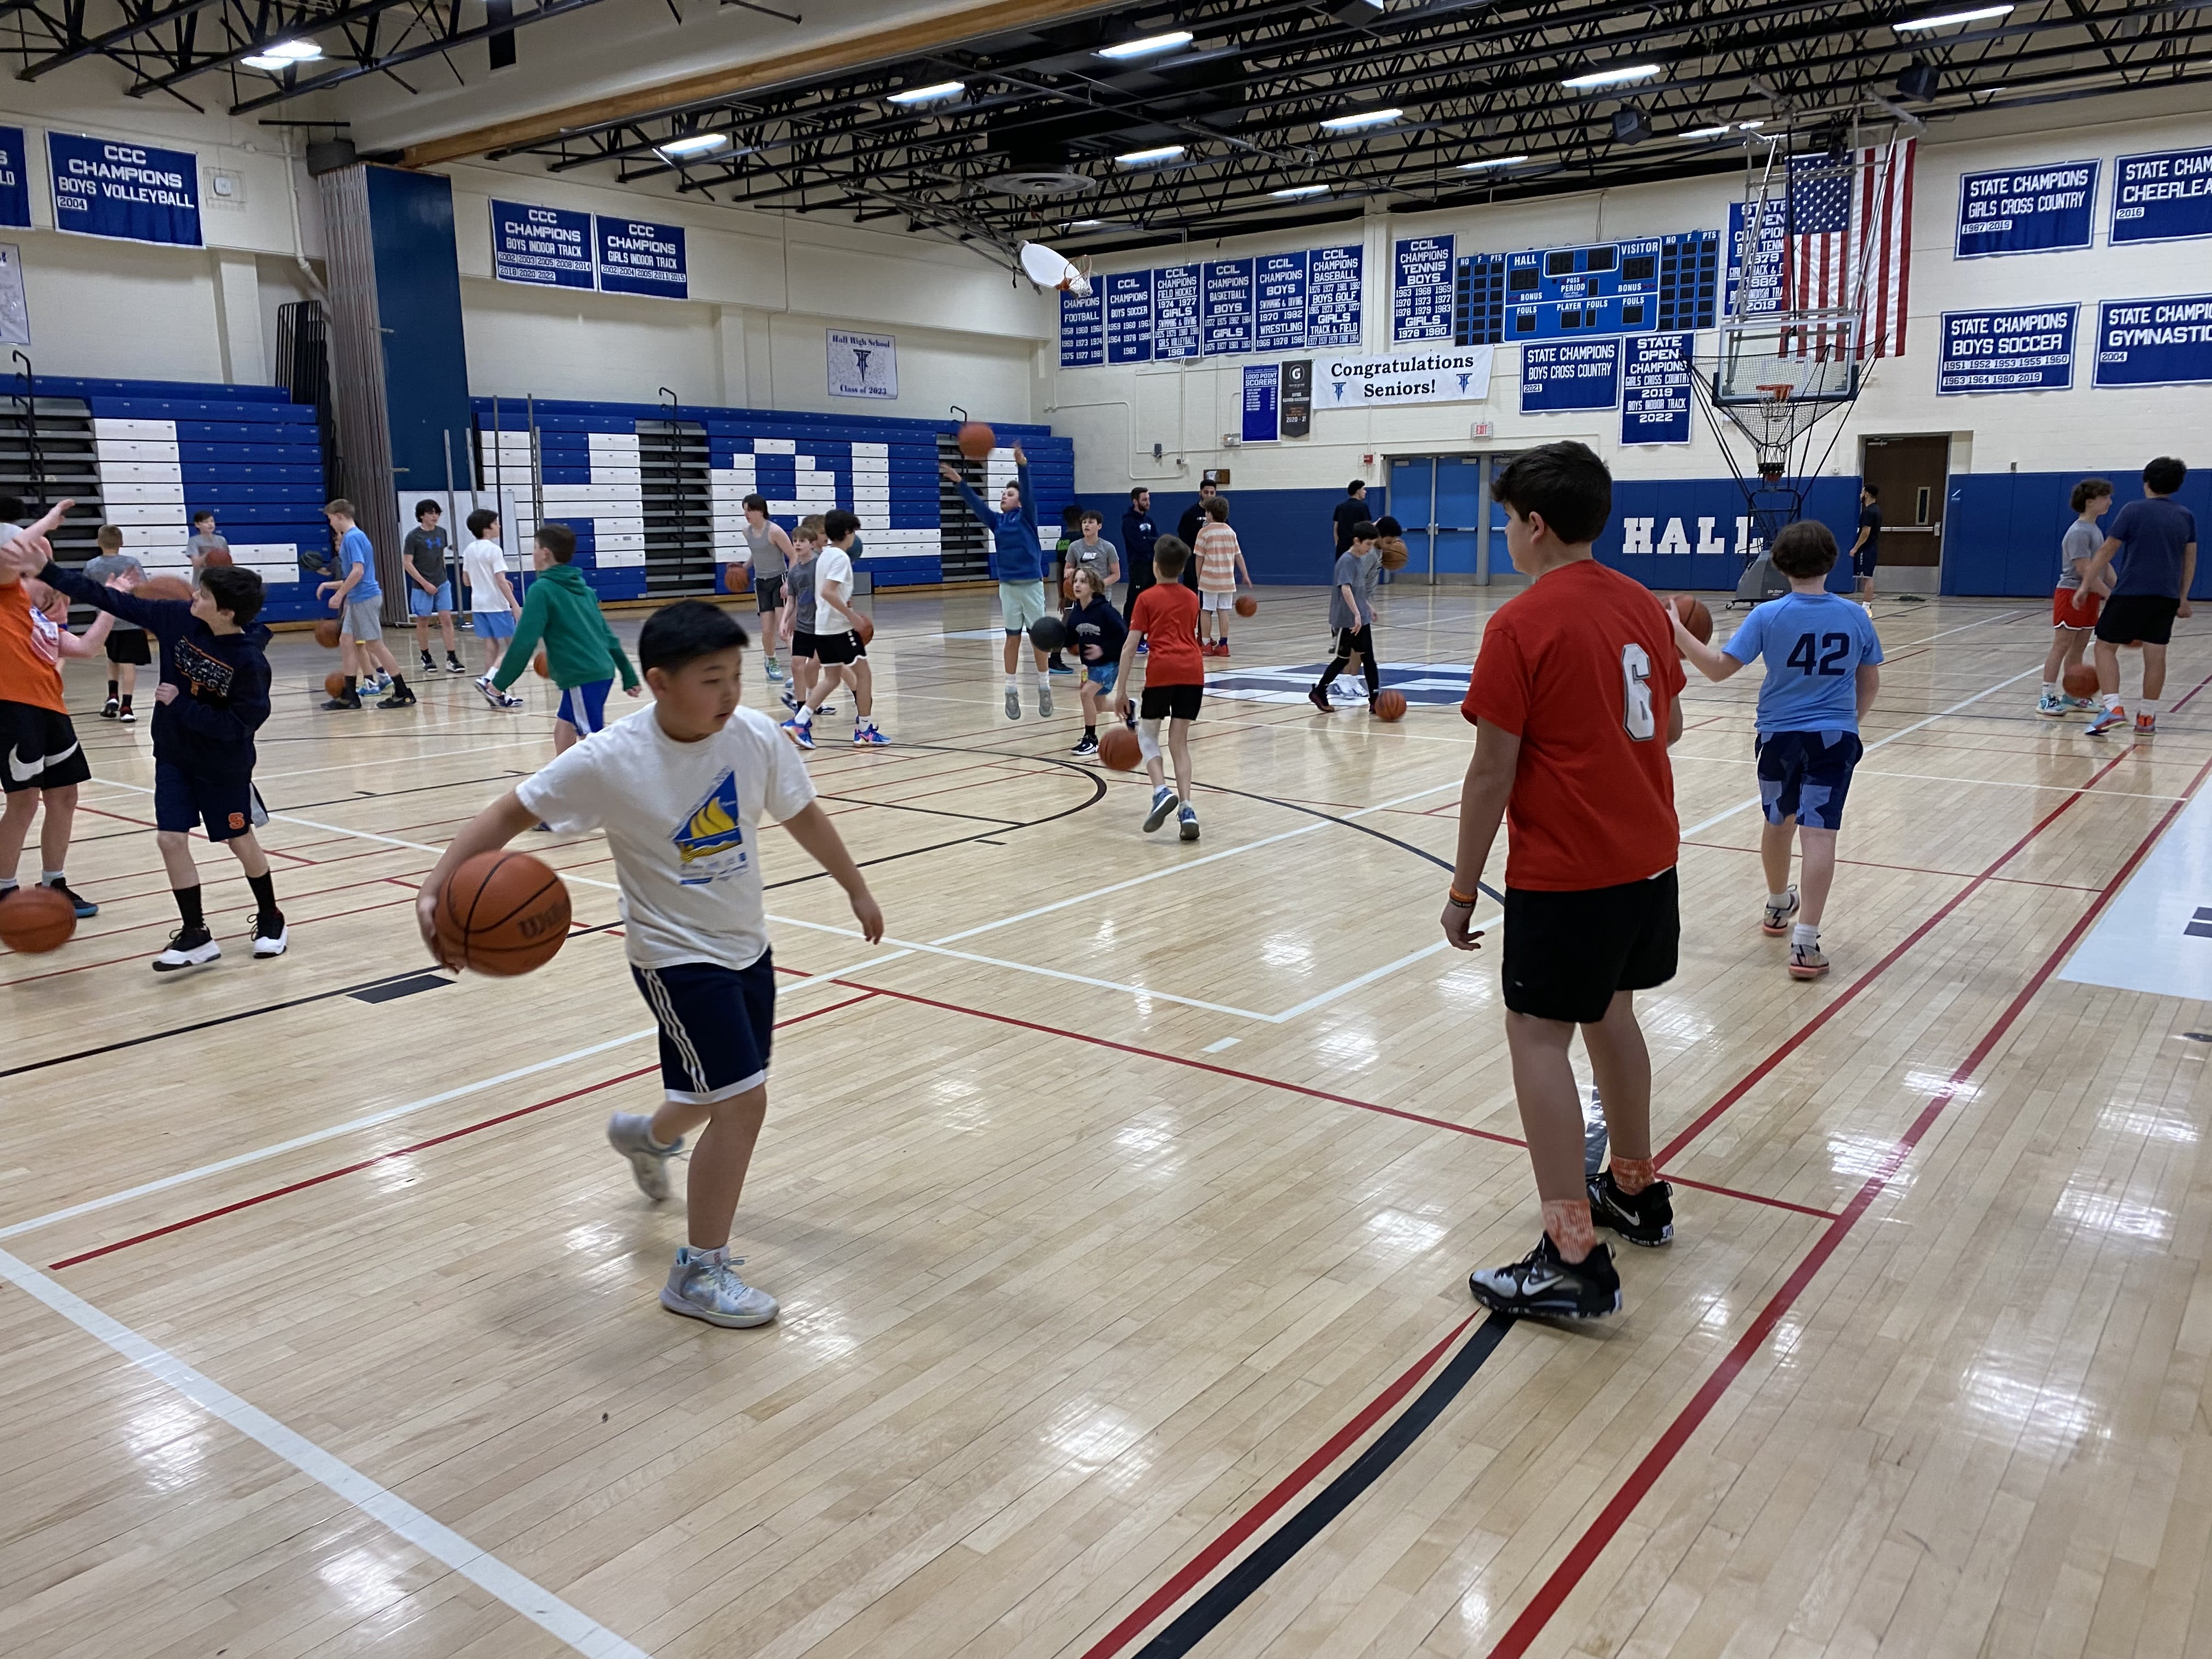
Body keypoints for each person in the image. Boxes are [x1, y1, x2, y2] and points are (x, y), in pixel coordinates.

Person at [416, 600, 884, 1329]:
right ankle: (698, 1273)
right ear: (660, 683)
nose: (729, 693)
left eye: (735, 676)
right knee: (744, 1101)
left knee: (711, 1094)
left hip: (746, 946)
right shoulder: (611, 757)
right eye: (711, 679)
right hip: (674, 956)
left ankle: (649, 1137)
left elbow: (802, 814)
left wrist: (855, 887)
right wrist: (436, 886)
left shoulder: (755, 736)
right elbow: (507, 813)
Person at [1441, 441, 1684, 1321]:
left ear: (1534, 525)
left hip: (1570, 870)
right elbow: (1672, 726)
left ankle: (1571, 1252)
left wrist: (1464, 888)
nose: (1506, 532)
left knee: (1537, 1035)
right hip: (1648, 857)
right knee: (1613, 1011)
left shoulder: (1521, 624)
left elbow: (1490, 772)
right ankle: (1634, 1187)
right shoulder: (1640, 605)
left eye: (1507, 519)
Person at [22, 522, 288, 969]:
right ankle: (196, 933)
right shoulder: (176, 618)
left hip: (223, 765)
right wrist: (47, 569)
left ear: (225, 613)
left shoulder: (249, 661)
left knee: (239, 840)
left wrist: (181, 705)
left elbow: (241, 724)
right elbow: (110, 599)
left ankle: (270, 916)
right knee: (169, 839)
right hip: (173, 757)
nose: (193, 599)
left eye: (202, 596)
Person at [1670, 520, 1881, 981]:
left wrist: (1678, 632)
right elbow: (1870, 681)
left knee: (1777, 822)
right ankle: (1806, 943)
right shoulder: (1854, 616)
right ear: (1832, 561)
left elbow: (1719, 670)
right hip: (1834, 738)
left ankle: (1777, 903)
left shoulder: (1767, 616)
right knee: (1820, 836)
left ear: (1780, 565)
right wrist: (1850, 726)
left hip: (1779, 737)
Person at [0, 502, 108, 924]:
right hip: (12, 710)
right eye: (34, 572)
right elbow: (16, 551)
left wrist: (111, 606)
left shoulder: (41, 621)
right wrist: (47, 523)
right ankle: (5, 889)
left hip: (51, 709)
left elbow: (85, 649)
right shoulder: (5, 593)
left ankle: (54, 881)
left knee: (65, 796)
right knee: (23, 801)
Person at [488, 523, 641, 756]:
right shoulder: (585, 590)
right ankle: (559, 775)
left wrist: (500, 682)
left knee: (592, 742)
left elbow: (524, 642)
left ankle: (609, 786)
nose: (533, 554)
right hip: (599, 671)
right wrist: (628, 674)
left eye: (535, 548)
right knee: (565, 724)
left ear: (545, 554)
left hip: (582, 674)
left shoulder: (542, 590)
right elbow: (609, 637)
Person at [2079, 457, 2196, 738]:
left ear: (2146, 482)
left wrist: (2086, 583)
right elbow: (2189, 559)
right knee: (2156, 655)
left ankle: (2113, 709)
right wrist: (2183, 597)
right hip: (2166, 595)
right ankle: (2147, 716)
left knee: (2105, 647)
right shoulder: (2185, 516)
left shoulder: (2133, 510)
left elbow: (2108, 550)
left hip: (2131, 592)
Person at [942, 443, 1051, 721]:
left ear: (1020, 501)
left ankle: (1044, 685)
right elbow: (977, 505)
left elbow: (1027, 489)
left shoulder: (1027, 518)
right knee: (1012, 637)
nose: (1004, 496)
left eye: (1010, 494)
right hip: (1009, 587)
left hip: (1031, 585)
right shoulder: (997, 522)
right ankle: (1011, 689)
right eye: (1002, 493)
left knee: (1038, 638)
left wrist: (1022, 465)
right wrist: (960, 483)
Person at [1112, 535, 1204, 842]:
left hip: (1163, 672)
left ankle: (1160, 791)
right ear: (1181, 567)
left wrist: (1121, 690)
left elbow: (1129, 648)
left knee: (1147, 736)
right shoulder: (1192, 597)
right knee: (1180, 743)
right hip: (1193, 672)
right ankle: (1187, 808)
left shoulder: (1146, 598)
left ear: (1155, 566)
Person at [780, 510, 886, 749]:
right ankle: (865, 730)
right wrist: (852, 616)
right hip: (839, 627)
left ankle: (799, 722)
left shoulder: (824, 555)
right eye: (854, 532)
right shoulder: (839, 558)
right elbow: (827, 592)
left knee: (832, 678)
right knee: (864, 674)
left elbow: (824, 592)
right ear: (848, 533)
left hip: (823, 626)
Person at [319, 499, 411, 709]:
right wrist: (335, 588)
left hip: (365, 598)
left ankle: (403, 692)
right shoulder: (354, 537)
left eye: (331, 519)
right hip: (358, 598)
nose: (331, 523)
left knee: (374, 645)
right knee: (346, 640)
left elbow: (358, 572)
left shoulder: (352, 538)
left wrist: (340, 595)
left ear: (340, 516)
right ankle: (350, 695)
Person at [2040, 478, 2113, 718]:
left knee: (2080, 646)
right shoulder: (2079, 532)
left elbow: (2103, 565)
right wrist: (2111, 596)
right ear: (2090, 502)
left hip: (2090, 596)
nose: (2109, 502)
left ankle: (2072, 696)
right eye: (2104, 497)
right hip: (2071, 593)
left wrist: (2119, 589)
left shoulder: (2095, 529)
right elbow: (2086, 571)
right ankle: (2047, 696)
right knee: (2061, 645)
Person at [1308, 519, 1383, 713]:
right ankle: (1320, 691)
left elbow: (1358, 591)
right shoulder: (1346, 561)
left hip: (1360, 620)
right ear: (1357, 541)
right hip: (1346, 621)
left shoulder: (1359, 560)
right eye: (1368, 544)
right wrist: (1357, 614)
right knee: (1342, 660)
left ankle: (1374, 699)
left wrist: (1367, 607)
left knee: (1369, 659)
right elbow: (1346, 589)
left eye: (1372, 545)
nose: (1369, 549)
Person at [83, 526, 148, 723]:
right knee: (128, 664)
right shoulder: (131, 563)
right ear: (121, 542)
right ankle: (127, 707)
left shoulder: (92, 565)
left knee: (112, 658)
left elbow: (87, 591)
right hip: (129, 620)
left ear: (99, 543)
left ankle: (112, 696)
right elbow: (142, 589)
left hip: (106, 621)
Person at [1063, 566, 1127, 756]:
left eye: (1083, 581)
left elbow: (1124, 636)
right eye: (1076, 581)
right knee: (1098, 706)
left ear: (1093, 586)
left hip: (1110, 663)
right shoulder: (1076, 613)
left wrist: (1103, 649)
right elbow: (1070, 640)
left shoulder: (1105, 611)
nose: (1077, 585)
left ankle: (1091, 739)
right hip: (1092, 666)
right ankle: (1128, 707)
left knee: (1086, 694)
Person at [460, 509, 523, 705]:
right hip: (497, 605)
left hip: (478, 604)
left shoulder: (469, 549)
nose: (499, 527)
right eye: (496, 523)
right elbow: (500, 581)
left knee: (491, 646)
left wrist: (487, 581)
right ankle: (490, 680)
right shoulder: (495, 550)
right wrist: (515, 605)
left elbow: (466, 581)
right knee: (514, 647)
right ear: (487, 529)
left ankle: (493, 693)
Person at [732, 494, 794, 685]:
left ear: (760, 511)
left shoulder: (775, 531)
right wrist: (743, 568)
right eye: (744, 510)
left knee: (784, 629)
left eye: (749, 510)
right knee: (767, 630)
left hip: (779, 580)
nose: (746, 514)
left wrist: (788, 583)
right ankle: (771, 661)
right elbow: (757, 554)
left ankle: (797, 667)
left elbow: (793, 556)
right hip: (762, 583)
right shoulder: (747, 532)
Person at [403, 499, 465, 678]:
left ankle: (452, 657)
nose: (435, 516)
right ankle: (426, 656)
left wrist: (442, 578)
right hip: (422, 585)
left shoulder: (442, 533)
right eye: (430, 513)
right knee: (423, 620)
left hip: (442, 582)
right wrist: (425, 583)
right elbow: (407, 563)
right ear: (422, 516)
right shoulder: (414, 537)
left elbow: (440, 558)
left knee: (446, 618)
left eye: (437, 513)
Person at [1193, 495, 1250, 656]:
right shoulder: (1231, 532)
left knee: (1205, 611)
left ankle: (1205, 644)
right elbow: (1238, 555)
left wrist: (1199, 578)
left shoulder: (1204, 532)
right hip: (1227, 581)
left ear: (1210, 514)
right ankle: (1224, 645)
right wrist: (1245, 575)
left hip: (1209, 581)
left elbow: (1199, 558)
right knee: (1223, 611)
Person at [1121, 486, 1161, 644]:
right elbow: (1139, 544)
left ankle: (1145, 634)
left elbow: (1156, 540)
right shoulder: (1128, 521)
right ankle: (1130, 635)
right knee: (1134, 600)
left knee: (1150, 600)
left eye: (1149, 499)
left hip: (1151, 565)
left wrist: (1149, 541)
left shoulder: (1149, 521)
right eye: (1144, 500)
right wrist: (1149, 541)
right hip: (1138, 565)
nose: (1148, 502)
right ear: (1135, 501)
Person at [1066, 507, 1121, 601]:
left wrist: (1099, 584)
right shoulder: (1074, 547)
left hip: (1102, 596)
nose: (1087, 525)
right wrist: (1069, 572)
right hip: (1083, 596)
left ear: (1099, 526)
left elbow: (1116, 574)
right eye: (1084, 522)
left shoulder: (1108, 547)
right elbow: (1068, 568)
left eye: (1091, 522)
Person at [1847, 483, 1881, 610]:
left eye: (1862, 492)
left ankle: (1866, 607)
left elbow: (1866, 531)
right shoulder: (1877, 510)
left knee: (1867, 578)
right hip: (1871, 548)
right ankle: (1867, 605)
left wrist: (1856, 548)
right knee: (1866, 577)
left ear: (1866, 494)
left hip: (1866, 549)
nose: (1860, 495)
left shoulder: (1869, 512)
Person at [1176, 476, 1220, 563]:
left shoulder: (1219, 514)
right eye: (1206, 492)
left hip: (1214, 558)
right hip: (1193, 559)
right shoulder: (1190, 514)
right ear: (1200, 493)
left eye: (1212, 493)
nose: (1209, 496)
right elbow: (1183, 539)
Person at [1332, 480, 1370, 556]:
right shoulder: (1363, 507)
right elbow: (1368, 529)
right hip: (1357, 549)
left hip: (1341, 549)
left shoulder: (1340, 507)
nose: (1365, 492)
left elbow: (1336, 529)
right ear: (1358, 491)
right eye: (1364, 489)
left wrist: (1337, 544)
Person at [188, 510, 229, 575]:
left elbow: (227, 561)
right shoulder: (193, 541)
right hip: (201, 578)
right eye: (206, 522)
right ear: (197, 525)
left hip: (220, 578)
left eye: (212, 521)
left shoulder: (221, 540)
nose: (210, 524)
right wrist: (211, 555)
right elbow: (196, 563)